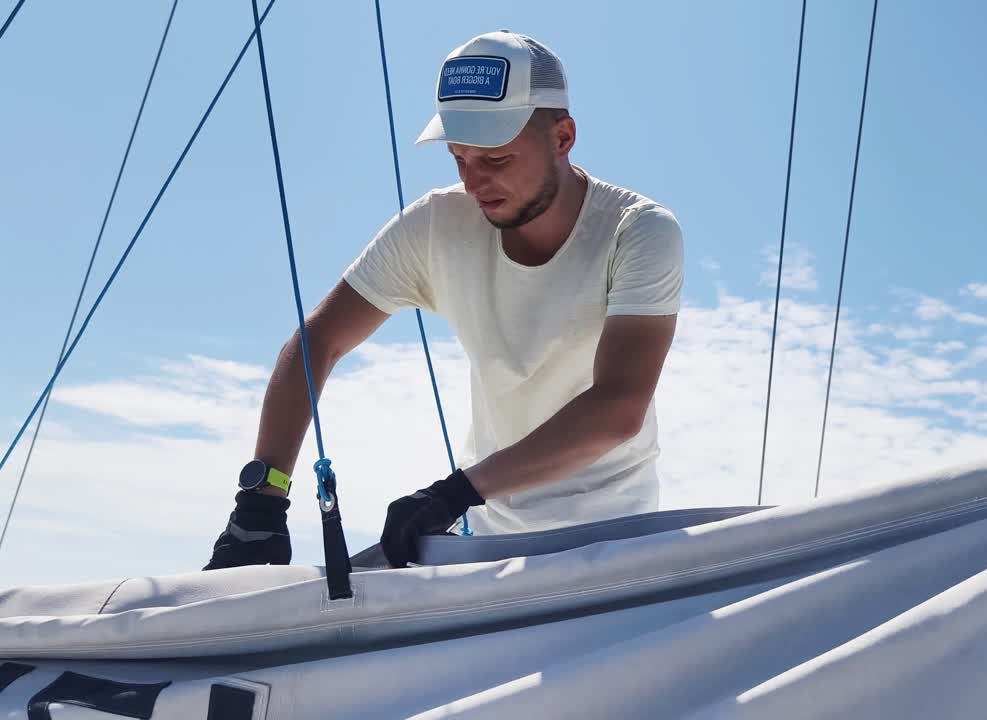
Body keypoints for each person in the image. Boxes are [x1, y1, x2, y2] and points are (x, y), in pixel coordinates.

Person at [203, 30, 683, 570]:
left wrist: (454, 493)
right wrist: (261, 501)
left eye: (496, 159)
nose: (475, 181)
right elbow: (320, 340)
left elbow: (617, 408)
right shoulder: (437, 225)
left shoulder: (636, 231)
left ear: (563, 137)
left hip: (615, 546)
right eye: (460, 157)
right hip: (485, 541)